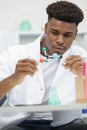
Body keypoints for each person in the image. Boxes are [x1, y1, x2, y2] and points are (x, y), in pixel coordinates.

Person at [0, 0, 87, 130]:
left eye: (67, 35)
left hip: (65, 124)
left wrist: (82, 76)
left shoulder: (80, 57)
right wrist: (14, 79)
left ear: (75, 34)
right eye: (55, 32)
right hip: (21, 123)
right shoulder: (13, 54)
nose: (60, 41)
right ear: (46, 28)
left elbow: (83, 100)